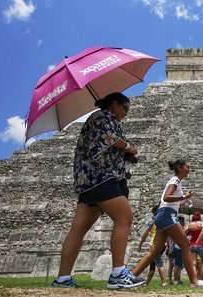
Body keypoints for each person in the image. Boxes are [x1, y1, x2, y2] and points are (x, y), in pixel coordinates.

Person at [52, 92, 145, 289]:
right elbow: (110, 139)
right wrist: (129, 147)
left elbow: (104, 145)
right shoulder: (103, 117)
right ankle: (118, 273)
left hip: (88, 180)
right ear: (114, 104)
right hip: (101, 177)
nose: (126, 113)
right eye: (125, 108)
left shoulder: (98, 118)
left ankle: (62, 278)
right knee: (124, 218)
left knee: (78, 229)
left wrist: (125, 154)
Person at [130, 160, 203, 288]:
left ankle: (131, 277)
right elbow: (166, 197)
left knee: (154, 250)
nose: (189, 168)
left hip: (162, 215)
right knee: (185, 244)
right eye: (187, 166)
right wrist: (183, 197)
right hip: (167, 215)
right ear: (180, 168)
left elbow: (168, 200)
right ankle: (194, 281)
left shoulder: (175, 181)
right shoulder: (175, 181)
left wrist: (183, 199)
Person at [138, 205, 167, 287]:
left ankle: (164, 282)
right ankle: (147, 284)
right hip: (162, 244)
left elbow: (145, 234)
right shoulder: (164, 221)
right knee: (152, 264)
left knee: (159, 263)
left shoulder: (152, 221)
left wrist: (140, 243)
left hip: (154, 244)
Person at [187, 212, 203, 280]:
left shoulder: (190, 224)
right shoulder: (202, 223)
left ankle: (194, 279)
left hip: (192, 245)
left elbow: (185, 233)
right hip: (201, 244)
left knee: (193, 263)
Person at [172, 216, 186, 284]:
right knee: (177, 265)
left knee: (179, 265)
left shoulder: (178, 228)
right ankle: (175, 280)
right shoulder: (179, 229)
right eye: (183, 221)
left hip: (179, 248)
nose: (184, 223)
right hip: (178, 248)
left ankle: (178, 279)